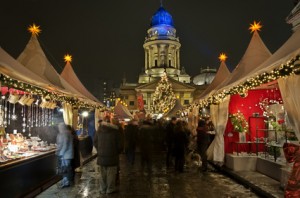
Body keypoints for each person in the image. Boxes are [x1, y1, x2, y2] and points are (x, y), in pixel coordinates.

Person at [94, 116, 122, 194]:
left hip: (101, 156)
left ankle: (103, 189)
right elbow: (120, 145)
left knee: (102, 174)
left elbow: (95, 142)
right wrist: (117, 152)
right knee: (111, 174)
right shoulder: (116, 131)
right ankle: (110, 189)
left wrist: (99, 150)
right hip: (112, 155)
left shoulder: (99, 131)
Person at [56, 123, 74, 188]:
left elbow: (65, 145)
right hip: (68, 154)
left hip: (66, 155)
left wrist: (61, 153)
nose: (59, 129)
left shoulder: (65, 134)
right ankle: (66, 181)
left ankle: (66, 182)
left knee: (65, 169)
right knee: (66, 168)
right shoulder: (68, 133)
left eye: (60, 127)